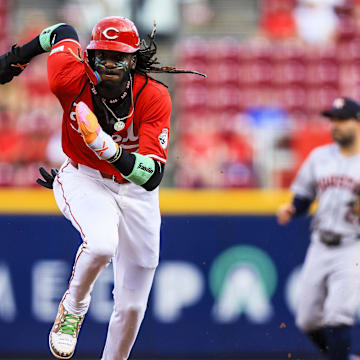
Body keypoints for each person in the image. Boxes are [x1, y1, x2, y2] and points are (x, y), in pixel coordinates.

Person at [0, 17, 205, 360]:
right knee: (100, 246)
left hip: (137, 192)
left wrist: (105, 147)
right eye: (102, 55)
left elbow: (153, 175)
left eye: (119, 56)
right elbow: (61, 32)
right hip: (86, 177)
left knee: (133, 306)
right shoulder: (68, 76)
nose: (109, 63)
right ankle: (74, 307)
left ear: (134, 60)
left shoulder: (153, 95)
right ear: (90, 56)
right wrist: (17, 58)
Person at [277, 97, 360, 360]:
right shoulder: (320, 157)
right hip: (320, 244)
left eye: (341, 119)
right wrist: (292, 209)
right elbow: (303, 197)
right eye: (332, 120)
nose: (335, 125)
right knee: (307, 320)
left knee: (338, 315)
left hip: (352, 246)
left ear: (357, 122)